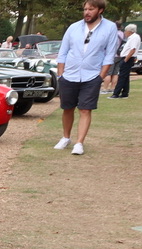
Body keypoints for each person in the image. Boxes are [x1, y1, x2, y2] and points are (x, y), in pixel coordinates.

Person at [53, 0, 119, 155]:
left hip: (92, 75)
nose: (87, 12)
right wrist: (61, 75)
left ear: (100, 10)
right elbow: (63, 52)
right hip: (69, 74)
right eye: (85, 9)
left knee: (85, 109)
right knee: (67, 108)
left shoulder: (110, 28)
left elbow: (109, 55)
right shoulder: (74, 27)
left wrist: (100, 77)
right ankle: (65, 137)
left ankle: (79, 143)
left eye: (91, 9)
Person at [111, 24, 138, 98]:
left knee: (122, 76)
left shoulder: (134, 38)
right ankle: (125, 93)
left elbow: (133, 49)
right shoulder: (131, 38)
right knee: (125, 77)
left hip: (127, 58)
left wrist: (125, 60)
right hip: (126, 58)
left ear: (130, 31)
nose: (125, 32)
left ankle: (116, 93)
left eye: (126, 31)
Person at [102, 23, 124, 92]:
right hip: (119, 54)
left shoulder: (112, 34)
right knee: (115, 73)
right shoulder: (122, 34)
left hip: (111, 55)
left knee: (108, 73)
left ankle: (105, 88)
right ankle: (113, 88)